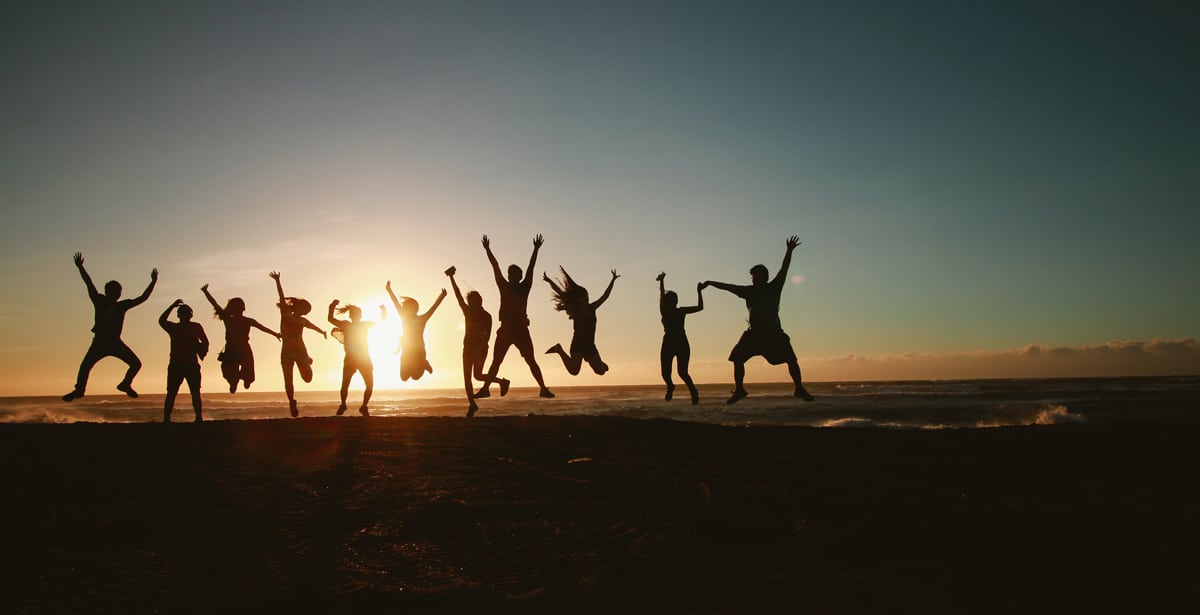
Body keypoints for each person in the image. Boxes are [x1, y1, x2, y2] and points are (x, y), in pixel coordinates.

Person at [702, 236, 814, 404]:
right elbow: (729, 287)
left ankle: (799, 388)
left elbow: (784, 269)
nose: (753, 279)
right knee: (737, 359)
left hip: (773, 334)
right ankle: (740, 390)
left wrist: (789, 251)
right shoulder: (748, 291)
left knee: (792, 360)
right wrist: (711, 283)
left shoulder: (774, 287)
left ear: (764, 276)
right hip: (753, 335)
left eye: (755, 276)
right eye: (752, 276)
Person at [63, 252, 157, 401]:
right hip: (100, 341)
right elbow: (89, 284)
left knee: (136, 363)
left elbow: (143, 298)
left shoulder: (122, 305)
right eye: (115, 291)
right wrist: (81, 267)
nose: (117, 294)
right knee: (85, 367)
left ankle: (125, 384)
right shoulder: (99, 300)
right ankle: (79, 390)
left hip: (114, 342)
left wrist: (153, 282)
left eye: (119, 292)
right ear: (108, 292)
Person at [475, 234, 554, 399]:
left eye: (514, 274)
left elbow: (531, 268)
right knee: (496, 361)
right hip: (505, 330)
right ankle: (485, 389)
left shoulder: (524, 287)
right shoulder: (503, 286)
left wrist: (536, 250)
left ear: (519, 276)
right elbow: (495, 267)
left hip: (520, 330)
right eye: (510, 274)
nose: (511, 276)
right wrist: (488, 250)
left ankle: (543, 388)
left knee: (531, 360)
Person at [445, 266, 510, 417]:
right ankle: (472, 405)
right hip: (467, 348)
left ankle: (502, 382)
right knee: (468, 377)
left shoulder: (487, 316)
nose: (475, 303)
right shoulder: (467, 312)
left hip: (481, 349)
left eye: (477, 300)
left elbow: (487, 336)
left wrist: (480, 348)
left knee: (478, 376)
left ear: (481, 300)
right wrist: (451, 278)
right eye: (472, 301)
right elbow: (458, 296)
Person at [200, 284, 281, 394]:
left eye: (240, 306)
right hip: (232, 349)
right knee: (229, 371)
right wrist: (206, 292)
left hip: (242, 349)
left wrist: (275, 334)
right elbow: (215, 304)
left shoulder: (246, 320)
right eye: (236, 306)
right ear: (233, 309)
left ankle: (243, 379)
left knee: (248, 375)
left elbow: (262, 328)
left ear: (243, 308)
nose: (238, 308)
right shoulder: (228, 319)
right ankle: (234, 381)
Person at [269, 271, 326, 417]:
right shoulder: (285, 314)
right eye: (305, 309)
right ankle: (291, 402)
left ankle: (308, 361)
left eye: (307, 311)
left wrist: (322, 332)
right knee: (288, 381)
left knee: (308, 379)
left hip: (301, 352)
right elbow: (282, 297)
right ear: (297, 307)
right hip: (286, 353)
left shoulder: (302, 321)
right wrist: (277, 281)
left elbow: (312, 326)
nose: (305, 313)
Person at [543, 267, 619, 376]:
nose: (586, 298)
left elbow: (605, 296)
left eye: (586, 296)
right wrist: (549, 280)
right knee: (574, 371)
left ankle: (594, 361)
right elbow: (560, 292)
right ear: (577, 299)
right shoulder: (575, 310)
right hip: (578, 343)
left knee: (600, 371)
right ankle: (559, 350)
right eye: (583, 296)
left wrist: (613, 280)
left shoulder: (592, 307)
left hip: (590, 344)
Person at [328, 299, 385, 416]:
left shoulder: (363, 325)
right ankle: (344, 404)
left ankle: (363, 406)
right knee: (346, 384)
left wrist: (383, 311)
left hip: (363, 358)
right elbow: (330, 319)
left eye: (357, 314)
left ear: (360, 315)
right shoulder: (346, 324)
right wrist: (332, 306)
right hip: (353, 358)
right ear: (351, 316)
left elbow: (382, 320)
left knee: (369, 385)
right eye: (354, 314)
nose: (356, 316)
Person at [158, 299, 209, 423]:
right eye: (184, 313)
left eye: (187, 313)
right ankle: (167, 419)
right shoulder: (175, 327)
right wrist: (172, 305)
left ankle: (197, 418)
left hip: (188, 364)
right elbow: (161, 321)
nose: (186, 316)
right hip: (178, 364)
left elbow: (205, 342)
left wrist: (201, 349)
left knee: (191, 392)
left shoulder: (194, 327)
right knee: (175, 393)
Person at [657, 272, 704, 404]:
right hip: (669, 342)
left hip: (681, 342)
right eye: (669, 301)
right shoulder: (664, 310)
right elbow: (661, 295)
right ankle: (671, 386)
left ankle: (693, 391)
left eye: (673, 301)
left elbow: (700, 307)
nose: (672, 303)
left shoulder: (681, 311)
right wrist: (661, 281)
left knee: (682, 372)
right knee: (665, 373)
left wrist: (699, 292)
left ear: (676, 302)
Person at [385, 280, 446, 382]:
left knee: (416, 376)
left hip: (419, 352)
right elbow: (395, 303)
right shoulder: (404, 317)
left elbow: (433, 308)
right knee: (404, 378)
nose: (406, 309)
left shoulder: (422, 319)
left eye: (410, 308)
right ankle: (422, 364)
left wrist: (442, 296)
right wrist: (389, 290)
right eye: (406, 308)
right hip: (407, 350)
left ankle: (424, 363)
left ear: (416, 309)